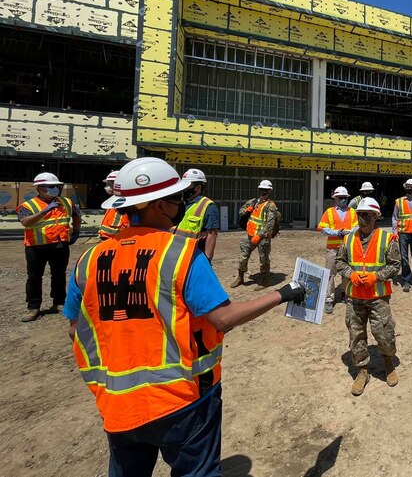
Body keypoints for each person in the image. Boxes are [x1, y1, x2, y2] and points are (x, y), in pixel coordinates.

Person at [63, 157, 304, 476]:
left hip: (117, 404)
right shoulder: (181, 253)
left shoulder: (88, 259)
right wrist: (283, 294)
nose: (182, 204)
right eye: (177, 198)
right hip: (182, 400)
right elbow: (224, 318)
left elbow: (75, 328)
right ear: (158, 206)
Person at [335, 197, 401, 396]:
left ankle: (388, 363)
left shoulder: (387, 239)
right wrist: (351, 274)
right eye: (359, 214)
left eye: (365, 214)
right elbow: (340, 262)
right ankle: (362, 371)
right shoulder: (348, 239)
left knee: (385, 333)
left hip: (378, 298)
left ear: (375, 217)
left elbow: (395, 265)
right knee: (356, 335)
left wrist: (376, 277)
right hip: (354, 298)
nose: (361, 218)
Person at [17, 171, 82, 322]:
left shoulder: (66, 202)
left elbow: (77, 215)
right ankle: (33, 307)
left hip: (59, 246)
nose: (55, 189)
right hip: (36, 247)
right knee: (34, 277)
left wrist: (76, 232)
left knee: (59, 275)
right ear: (40, 188)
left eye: (57, 186)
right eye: (50, 186)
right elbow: (25, 222)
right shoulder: (27, 205)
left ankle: (58, 303)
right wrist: (44, 211)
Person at [317, 186, 358, 314]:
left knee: (347, 272)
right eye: (341, 198)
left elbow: (357, 227)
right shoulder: (329, 212)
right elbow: (322, 228)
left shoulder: (352, 212)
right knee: (330, 274)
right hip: (332, 248)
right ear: (335, 199)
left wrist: (349, 232)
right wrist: (337, 232)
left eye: (345, 198)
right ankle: (329, 299)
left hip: (347, 247)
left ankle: (346, 294)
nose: (344, 200)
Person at [232, 180, 280, 289]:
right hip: (249, 235)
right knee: (243, 257)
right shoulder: (253, 202)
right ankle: (240, 277)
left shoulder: (270, 206)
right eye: (261, 189)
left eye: (266, 190)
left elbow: (270, 224)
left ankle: (265, 281)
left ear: (269, 191)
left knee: (264, 259)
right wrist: (248, 209)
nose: (263, 192)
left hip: (262, 238)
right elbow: (240, 212)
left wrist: (259, 236)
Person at [172, 168, 220, 263]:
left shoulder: (208, 206)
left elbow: (212, 234)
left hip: (192, 256)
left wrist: (207, 260)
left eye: (187, 186)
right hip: (173, 252)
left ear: (198, 188)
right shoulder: (180, 203)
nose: (184, 189)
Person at [98, 170, 129, 240]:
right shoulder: (113, 200)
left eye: (110, 184)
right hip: (108, 237)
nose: (108, 187)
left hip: (116, 238)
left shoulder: (124, 202)